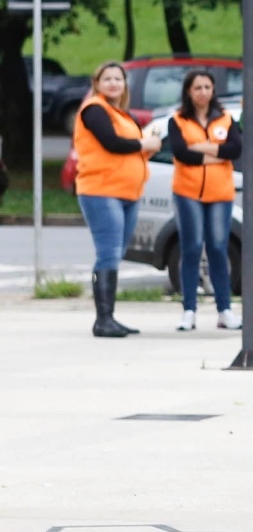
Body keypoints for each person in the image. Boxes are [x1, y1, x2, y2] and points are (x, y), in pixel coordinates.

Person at [73, 61, 163, 337]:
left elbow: (126, 149)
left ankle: (109, 316)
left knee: (116, 252)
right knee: (108, 252)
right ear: (97, 84)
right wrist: (142, 144)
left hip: (127, 192)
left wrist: (146, 146)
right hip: (102, 190)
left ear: (125, 84)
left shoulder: (121, 113)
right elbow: (110, 142)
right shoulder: (95, 110)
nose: (113, 83)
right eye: (107, 79)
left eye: (118, 79)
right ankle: (103, 319)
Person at [164, 70, 241, 331]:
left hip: (220, 192)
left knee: (219, 247)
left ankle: (224, 308)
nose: (203, 92)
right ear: (188, 91)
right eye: (198, 87)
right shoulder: (178, 120)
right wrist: (217, 153)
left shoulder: (226, 119)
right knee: (192, 247)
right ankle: (189, 309)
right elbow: (181, 153)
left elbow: (235, 149)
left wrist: (203, 148)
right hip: (188, 191)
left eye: (207, 87)